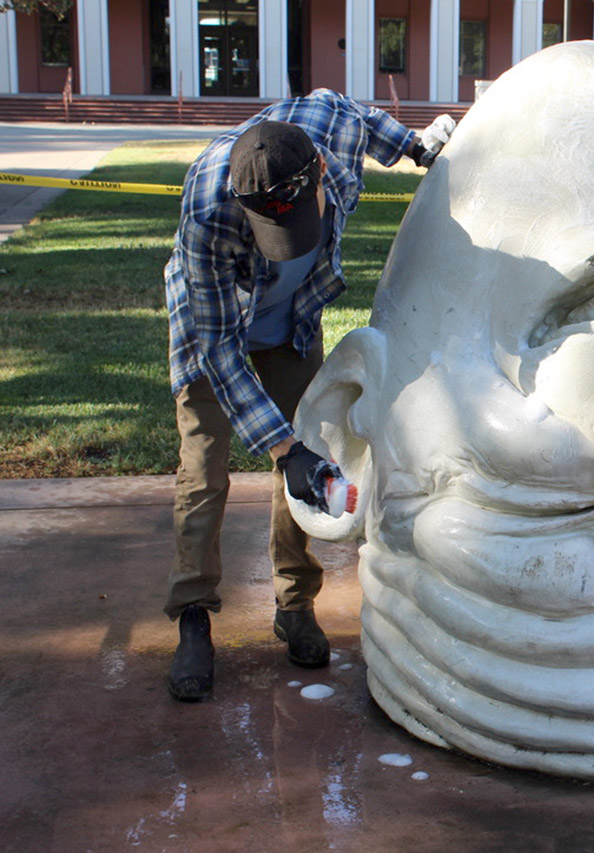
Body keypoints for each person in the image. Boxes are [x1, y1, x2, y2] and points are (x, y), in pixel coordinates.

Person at [163, 89, 454, 702]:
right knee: (203, 469)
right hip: (215, 320)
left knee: (311, 454)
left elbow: (365, 117)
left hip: (292, 320)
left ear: (321, 171)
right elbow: (218, 351)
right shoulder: (208, 208)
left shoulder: (333, 130)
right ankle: (194, 614)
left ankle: (294, 606)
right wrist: (280, 447)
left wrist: (418, 149)